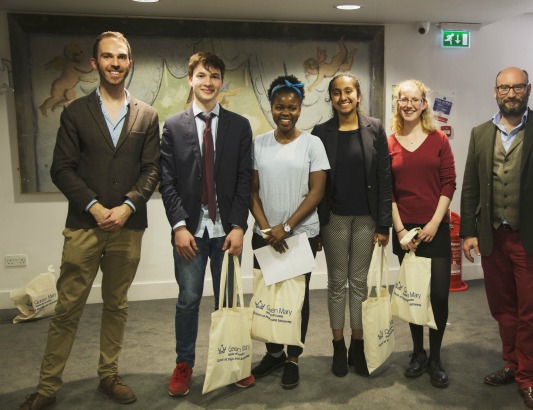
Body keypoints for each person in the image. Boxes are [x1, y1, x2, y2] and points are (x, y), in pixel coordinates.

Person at [20, 31, 160, 410]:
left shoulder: (147, 114)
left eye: (122, 57)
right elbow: (61, 169)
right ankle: (48, 389)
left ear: (130, 62)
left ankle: (109, 375)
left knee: (116, 305)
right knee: (67, 308)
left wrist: (128, 206)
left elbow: (152, 170)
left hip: (128, 228)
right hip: (85, 226)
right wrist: (96, 207)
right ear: (95, 63)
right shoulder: (75, 112)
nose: (115, 63)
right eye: (107, 57)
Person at [460, 67, 533, 410]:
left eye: (517, 88)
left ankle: (529, 377)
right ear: (494, 91)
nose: (511, 94)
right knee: (503, 309)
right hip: (493, 237)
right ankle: (512, 363)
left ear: (527, 89)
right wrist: (469, 231)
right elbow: (471, 187)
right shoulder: (480, 133)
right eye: (504, 88)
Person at [159, 51, 254, 396]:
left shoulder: (239, 126)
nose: (208, 82)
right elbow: (166, 181)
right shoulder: (173, 126)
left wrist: (239, 226)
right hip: (190, 233)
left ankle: (231, 362)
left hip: (227, 232)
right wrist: (178, 226)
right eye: (202, 75)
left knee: (228, 301)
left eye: (214, 76)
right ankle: (184, 364)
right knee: (188, 300)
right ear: (190, 79)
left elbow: (244, 180)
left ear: (221, 81)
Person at [249, 75, 330, 389]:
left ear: (300, 109)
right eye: (280, 106)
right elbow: (251, 190)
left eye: (292, 107)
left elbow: (316, 192)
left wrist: (287, 227)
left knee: (297, 298)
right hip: (266, 233)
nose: (286, 112)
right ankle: (273, 353)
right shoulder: (258, 144)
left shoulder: (313, 144)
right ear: (271, 107)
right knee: (268, 296)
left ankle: (293, 356)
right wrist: (269, 228)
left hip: (300, 235)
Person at [312, 72, 392, 377]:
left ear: (358, 95)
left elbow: (385, 178)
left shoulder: (376, 128)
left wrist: (383, 224)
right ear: (331, 98)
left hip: (366, 219)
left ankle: (358, 345)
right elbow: (315, 184)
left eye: (348, 91)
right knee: (336, 284)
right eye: (336, 92)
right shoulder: (320, 132)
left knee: (358, 284)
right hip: (333, 219)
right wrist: (318, 226)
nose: (343, 97)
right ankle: (337, 345)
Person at [388, 79, 456, 388]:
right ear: (398, 103)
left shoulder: (439, 139)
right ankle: (418, 352)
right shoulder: (389, 143)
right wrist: (400, 229)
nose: (409, 104)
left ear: (424, 103)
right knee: (414, 294)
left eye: (415, 99)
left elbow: (448, 183)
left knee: (439, 296)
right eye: (404, 99)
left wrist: (433, 223)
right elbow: (387, 191)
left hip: (435, 229)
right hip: (405, 232)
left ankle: (436, 357)